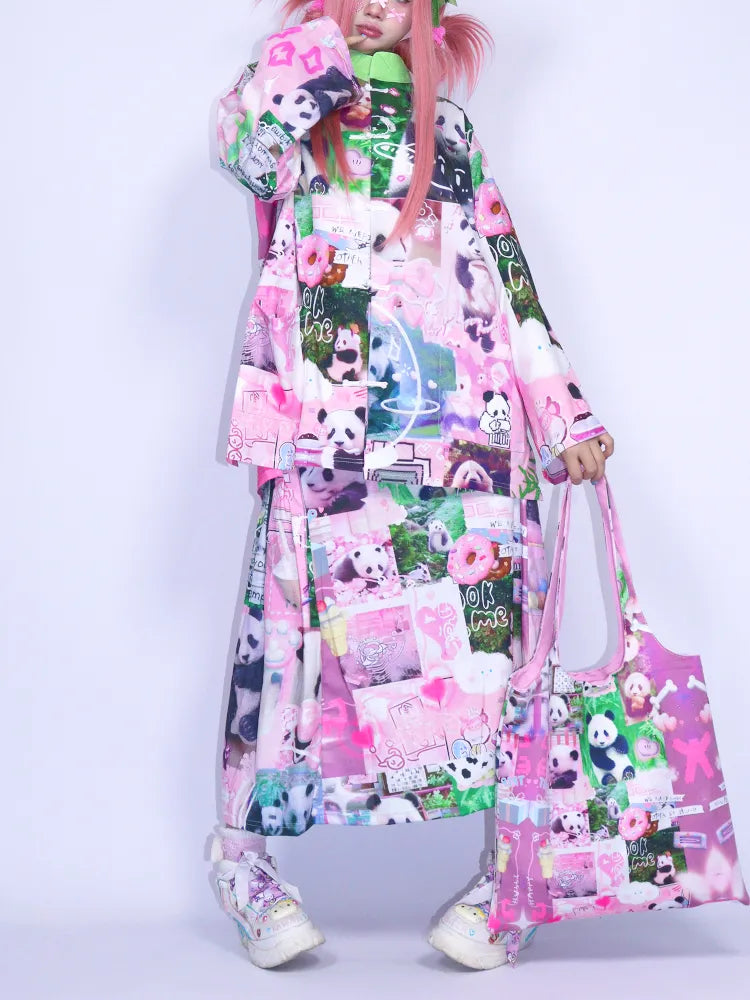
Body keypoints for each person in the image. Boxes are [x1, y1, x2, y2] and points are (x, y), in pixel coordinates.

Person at [208, 0, 615, 971]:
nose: (374, 4)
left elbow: (507, 274)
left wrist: (563, 411)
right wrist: (315, 53)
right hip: (327, 428)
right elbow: (242, 151)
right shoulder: (303, 104)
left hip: (463, 435)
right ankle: (243, 864)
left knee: (492, 661)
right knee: (291, 649)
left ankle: (511, 879)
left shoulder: (454, 134)